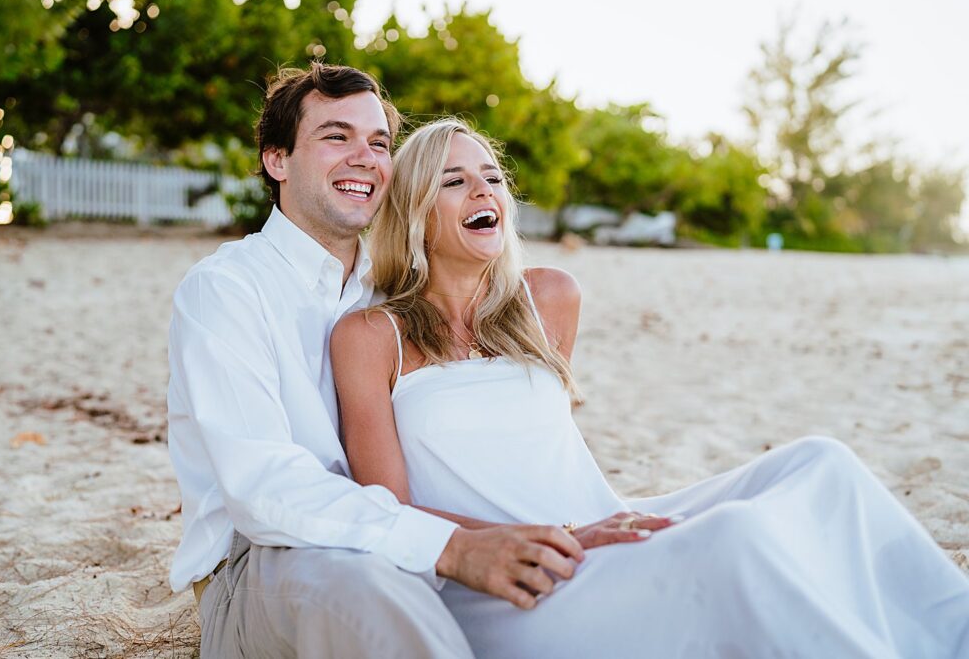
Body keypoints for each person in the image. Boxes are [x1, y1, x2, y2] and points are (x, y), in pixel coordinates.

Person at [330, 118, 969, 658]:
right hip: (506, 578)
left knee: (822, 464)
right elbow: (386, 507)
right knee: (733, 538)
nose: (483, 189)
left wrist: (594, 523)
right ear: (416, 211)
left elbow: (540, 451)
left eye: (492, 177)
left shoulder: (545, 299)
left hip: (598, 526)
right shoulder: (370, 335)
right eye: (454, 180)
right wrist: (560, 535)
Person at [166, 65, 606, 658]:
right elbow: (264, 491)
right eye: (335, 136)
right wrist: (448, 546)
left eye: (378, 143)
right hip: (267, 561)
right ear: (277, 160)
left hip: (395, 541)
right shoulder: (227, 290)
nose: (364, 157)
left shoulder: (390, 298)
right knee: (367, 589)